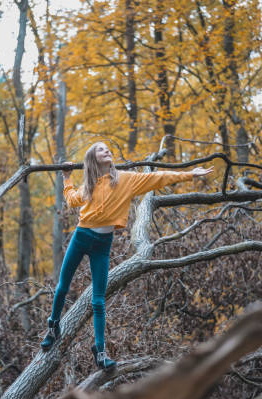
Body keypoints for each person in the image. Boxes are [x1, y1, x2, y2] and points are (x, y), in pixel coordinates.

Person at [41, 142, 213, 371]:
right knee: (63, 286)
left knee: (98, 300)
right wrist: (66, 177)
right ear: (93, 159)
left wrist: (190, 174)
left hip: (103, 244)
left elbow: (158, 178)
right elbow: (72, 200)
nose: (107, 150)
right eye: (101, 149)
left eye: (108, 148)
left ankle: (100, 352)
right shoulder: (89, 184)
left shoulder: (125, 180)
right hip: (81, 237)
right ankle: (53, 326)